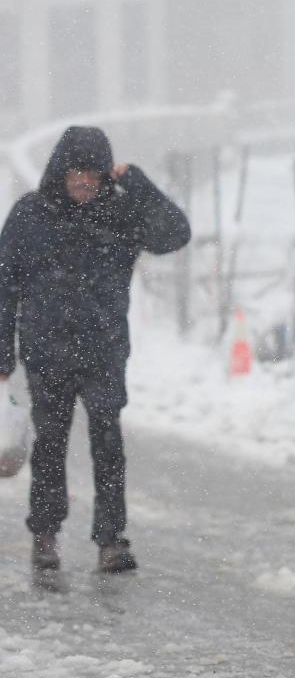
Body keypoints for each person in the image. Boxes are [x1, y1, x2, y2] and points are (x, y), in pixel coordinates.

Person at [0, 126, 191, 590]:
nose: (83, 182)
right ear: (61, 172)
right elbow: (4, 288)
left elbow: (176, 234)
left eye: (92, 174)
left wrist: (140, 183)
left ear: (106, 176)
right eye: (76, 173)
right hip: (46, 350)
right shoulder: (31, 214)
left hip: (104, 349)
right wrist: (2, 355)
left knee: (108, 441)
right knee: (49, 444)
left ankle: (112, 540)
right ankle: (44, 534)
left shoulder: (122, 212)